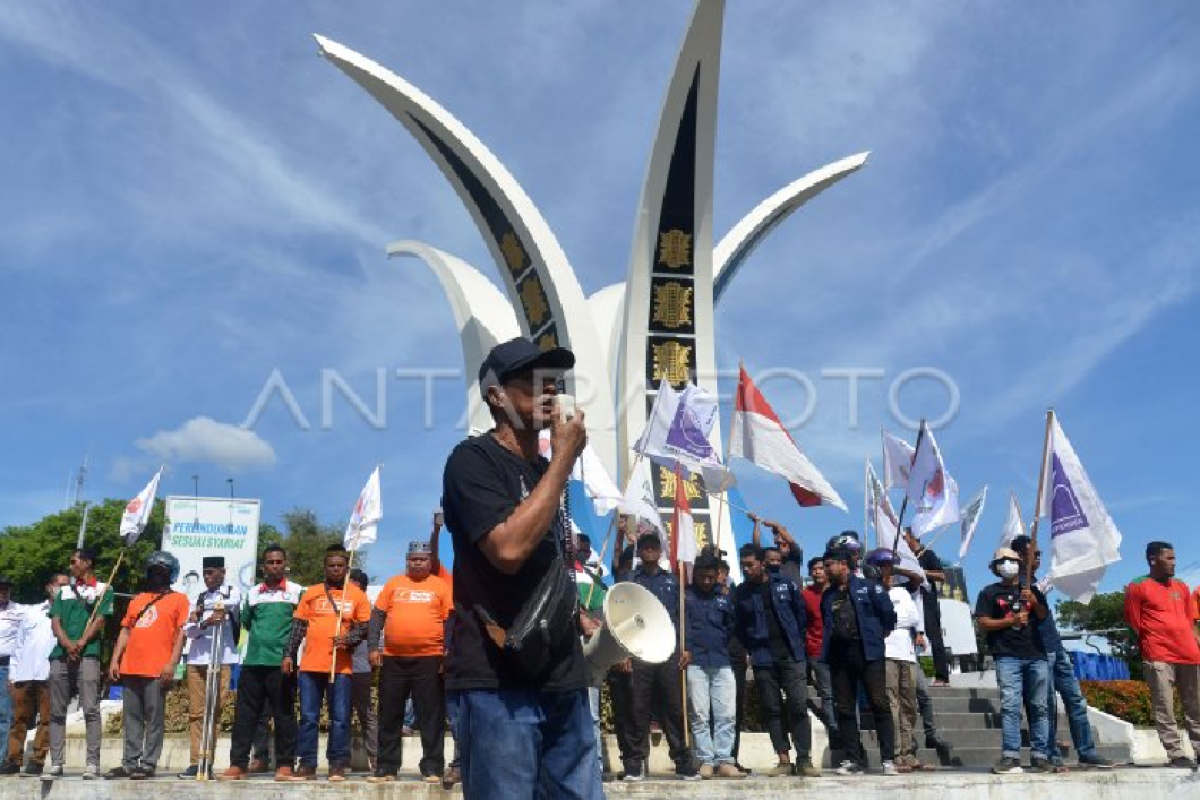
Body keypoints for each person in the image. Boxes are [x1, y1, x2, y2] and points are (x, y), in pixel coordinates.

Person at [440, 336, 600, 799]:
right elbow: (508, 551)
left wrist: (578, 617)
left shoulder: (547, 472)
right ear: (497, 396)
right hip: (498, 681)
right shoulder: (472, 460)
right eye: (533, 381)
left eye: (554, 381)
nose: (549, 390)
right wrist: (565, 459)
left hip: (562, 678)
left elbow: (546, 568)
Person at [1008, 535, 1114, 770]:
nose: (1038, 557)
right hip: (1037, 653)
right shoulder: (1013, 585)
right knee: (1045, 706)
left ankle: (1086, 751)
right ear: (1019, 556)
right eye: (1033, 553)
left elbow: (1044, 613)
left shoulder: (1038, 583)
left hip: (1056, 648)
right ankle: (1050, 755)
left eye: (1039, 553)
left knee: (1075, 701)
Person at [284, 544, 372, 782]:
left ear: (346, 568)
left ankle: (337, 764)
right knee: (309, 717)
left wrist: (349, 639)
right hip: (310, 667)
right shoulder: (311, 592)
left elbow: (365, 628)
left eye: (340, 566)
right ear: (325, 568)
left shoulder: (356, 595)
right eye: (331, 565)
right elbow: (298, 627)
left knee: (341, 718)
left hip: (341, 668)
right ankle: (307, 765)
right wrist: (288, 654)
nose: (335, 569)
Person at [369, 541, 453, 784]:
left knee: (431, 714)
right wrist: (374, 646)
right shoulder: (394, 583)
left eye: (422, 559)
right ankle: (386, 768)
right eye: (413, 559)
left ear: (430, 562)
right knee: (389, 714)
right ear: (407, 561)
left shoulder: (440, 586)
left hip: (430, 659)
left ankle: (432, 767)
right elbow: (377, 616)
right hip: (393, 659)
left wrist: (447, 652)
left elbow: (450, 621)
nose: (417, 562)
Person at [734, 545, 819, 778]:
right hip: (762, 658)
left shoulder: (786, 584)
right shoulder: (740, 593)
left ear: (762, 563)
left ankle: (804, 759)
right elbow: (738, 627)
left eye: (750, 564)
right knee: (772, 708)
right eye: (743, 565)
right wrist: (752, 646)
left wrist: (796, 640)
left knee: (798, 706)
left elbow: (801, 614)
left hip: (791, 655)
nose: (746, 569)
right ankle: (783, 758)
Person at [220, 545, 303, 782]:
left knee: (284, 715)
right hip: (253, 661)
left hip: (282, 663)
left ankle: (286, 764)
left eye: (278, 562)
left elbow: (301, 627)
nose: (274, 566)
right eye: (270, 562)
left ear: (285, 564)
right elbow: (246, 623)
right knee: (246, 715)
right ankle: (238, 764)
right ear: (263, 566)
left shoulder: (297, 592)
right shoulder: (253, 593)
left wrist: (289, 653)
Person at [107, 551, 190, 780]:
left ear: (170, 574)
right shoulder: (137, 599)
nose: (156, 576)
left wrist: (172, 663)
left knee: (154, 719)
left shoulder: (179, 599)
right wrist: (115, 659)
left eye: (161, 572)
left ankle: (148, 763)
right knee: (132, 718)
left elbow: (182, 634)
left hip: (157, 668)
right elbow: (125, 630)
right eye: (153, 571)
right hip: (130, 666)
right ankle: (129, 763)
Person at [622, 533, 698, 782]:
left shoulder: (673, 582)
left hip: (668, 652)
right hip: (639, 652)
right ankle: (635, 765)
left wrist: (686, 648)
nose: (650, 551)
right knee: (637, 708)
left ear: (660, 552)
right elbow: (621, 618)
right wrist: (624, 653)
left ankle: (683, 763)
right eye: (645, 548)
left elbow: (683, 617)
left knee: (674, 708)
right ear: (640, 552)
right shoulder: (631, 581)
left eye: (654, 547)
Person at [821, 544, 898, 776]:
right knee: (844, 706)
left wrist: (877, 635)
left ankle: (888, 759)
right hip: (839, 654)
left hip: (868, 652)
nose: (825, 570)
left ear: (843, 565)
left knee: (878, 702)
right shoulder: (828, 595)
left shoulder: (869, 587)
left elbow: (888, 615)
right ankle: (853, 759)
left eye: (829, 565)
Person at [975, 547, 1052, 774]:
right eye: (1003, 561)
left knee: (1039, 707)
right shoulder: (988, 593)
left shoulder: (1032, 589)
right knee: (1010, 706)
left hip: (1036, 654)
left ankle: (1040, 756)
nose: (1008, 564)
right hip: (1006, 655)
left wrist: (1034, 601)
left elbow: (1042, 615)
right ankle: (1011, 756)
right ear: (996, 567)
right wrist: (1010, 621)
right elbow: (983, 623)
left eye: (1012, 560)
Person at [1124, 541, 1200, 768]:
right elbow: (1133, 620)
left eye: (1174, 558)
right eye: (1169, 558)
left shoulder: (1181, 586)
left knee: (1195, 705)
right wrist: (1152, 641)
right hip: (1158, 653)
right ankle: (1176, 753)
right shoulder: (1138, 585)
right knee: (1164, 705)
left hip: (1189, 653)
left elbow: (1189, 620)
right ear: (1153, 560)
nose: (1174, 563)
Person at [47, 547, 113, 779]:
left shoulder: (104, 588)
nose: (71, 566)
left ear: (87, 563)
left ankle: (92, 764)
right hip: (61, 654)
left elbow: (101, 619)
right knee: (56, 711)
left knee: (90, 709)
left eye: (74, 562)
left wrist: (82, 642)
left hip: (89, 654)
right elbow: (55, 621)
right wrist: (67, 643)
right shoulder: (63, 591)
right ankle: (56, 762)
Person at [179, 556, 242, 779]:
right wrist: (203, 621)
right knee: (197, 712)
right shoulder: (197, 596)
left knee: (213, 711)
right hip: (197, 659)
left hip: (221, 658)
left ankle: (209, 761)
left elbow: (229, 605)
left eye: (211, 572)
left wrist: (205, 611)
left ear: (222, 572)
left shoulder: (232, 590)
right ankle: (195, 762)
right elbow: (189, 630)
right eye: (205, 573)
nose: (207, 577)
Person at [867, 549, 927, 773]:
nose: (887, 572)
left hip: (907, 653)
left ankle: (909, 752)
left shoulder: (902, 592)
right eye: (882, 567)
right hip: (886, 652)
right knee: (892, 704)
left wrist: (895, 566)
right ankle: (896, 754)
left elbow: (912, 616)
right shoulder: (872, 591)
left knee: (909, 704)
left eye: (889, 568)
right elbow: (885, 618)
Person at [683, 554, 742, 779]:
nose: (706, 581)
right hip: (695, 662)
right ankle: (706, 760)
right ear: (694, 575)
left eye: (710, 577)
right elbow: (682, 626)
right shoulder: (686, 596)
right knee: (699, 715)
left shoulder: (725, 598)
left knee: (726, 714)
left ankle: (724, 760)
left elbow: (730, 627)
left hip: (721, 661)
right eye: (702, 577)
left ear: (717, 575)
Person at [2, 573, 67, 777]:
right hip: (25, 673)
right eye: (60, 585)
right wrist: (13, 674)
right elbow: (19, 645)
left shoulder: (71, 613)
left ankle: (37, 761)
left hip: (50, 674)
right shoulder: (32, 612)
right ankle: (13, 760)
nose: (63, 589)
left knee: (46, 720)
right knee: (18, 719)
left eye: (67, 586)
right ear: (49, 587)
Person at [902, 528, 950, 684]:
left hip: (927, 601)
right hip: (910, 601)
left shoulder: (928, 554)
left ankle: (942, 676)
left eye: (905, 537)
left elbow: (941, 576)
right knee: (909, 637)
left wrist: (922, 572)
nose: (903, 540)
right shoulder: (906, 558)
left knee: (934, 638)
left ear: (913, 537)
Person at [802, 557, 838, 753]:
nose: (817, 572)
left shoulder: (838, 591)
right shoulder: (805, 595)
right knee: (827, 693)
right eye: (813, 569)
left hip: (839, 649)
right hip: (816, 649)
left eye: (821, 568)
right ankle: (834, 730)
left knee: (843, 693)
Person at [344, 569, 378, 774]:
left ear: (359, 586)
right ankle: (342, 759)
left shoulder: (368, 608)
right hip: (340, 666)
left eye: (351, 584)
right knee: (341, 714)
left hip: (361, 667)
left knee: (366, 712)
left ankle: (375, 758)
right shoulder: (341, 606)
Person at [0, 576, 21, 770]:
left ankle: (1, 758)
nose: (3, 592)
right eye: (0, 589)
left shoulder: (18, 611)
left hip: (6, 666)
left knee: (5, 714)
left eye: (6, 589)